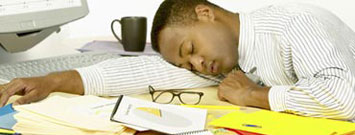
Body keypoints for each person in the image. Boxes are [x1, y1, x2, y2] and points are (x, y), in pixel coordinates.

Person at [1, 0, 355, 121]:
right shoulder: (224, 64)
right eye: (187, 65)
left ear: (205, 13)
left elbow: (344, 97)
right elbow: (137, 72)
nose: (197, 65)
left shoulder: (296, 25)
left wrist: (253, 96)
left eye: (190, 51)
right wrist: (51, 81)